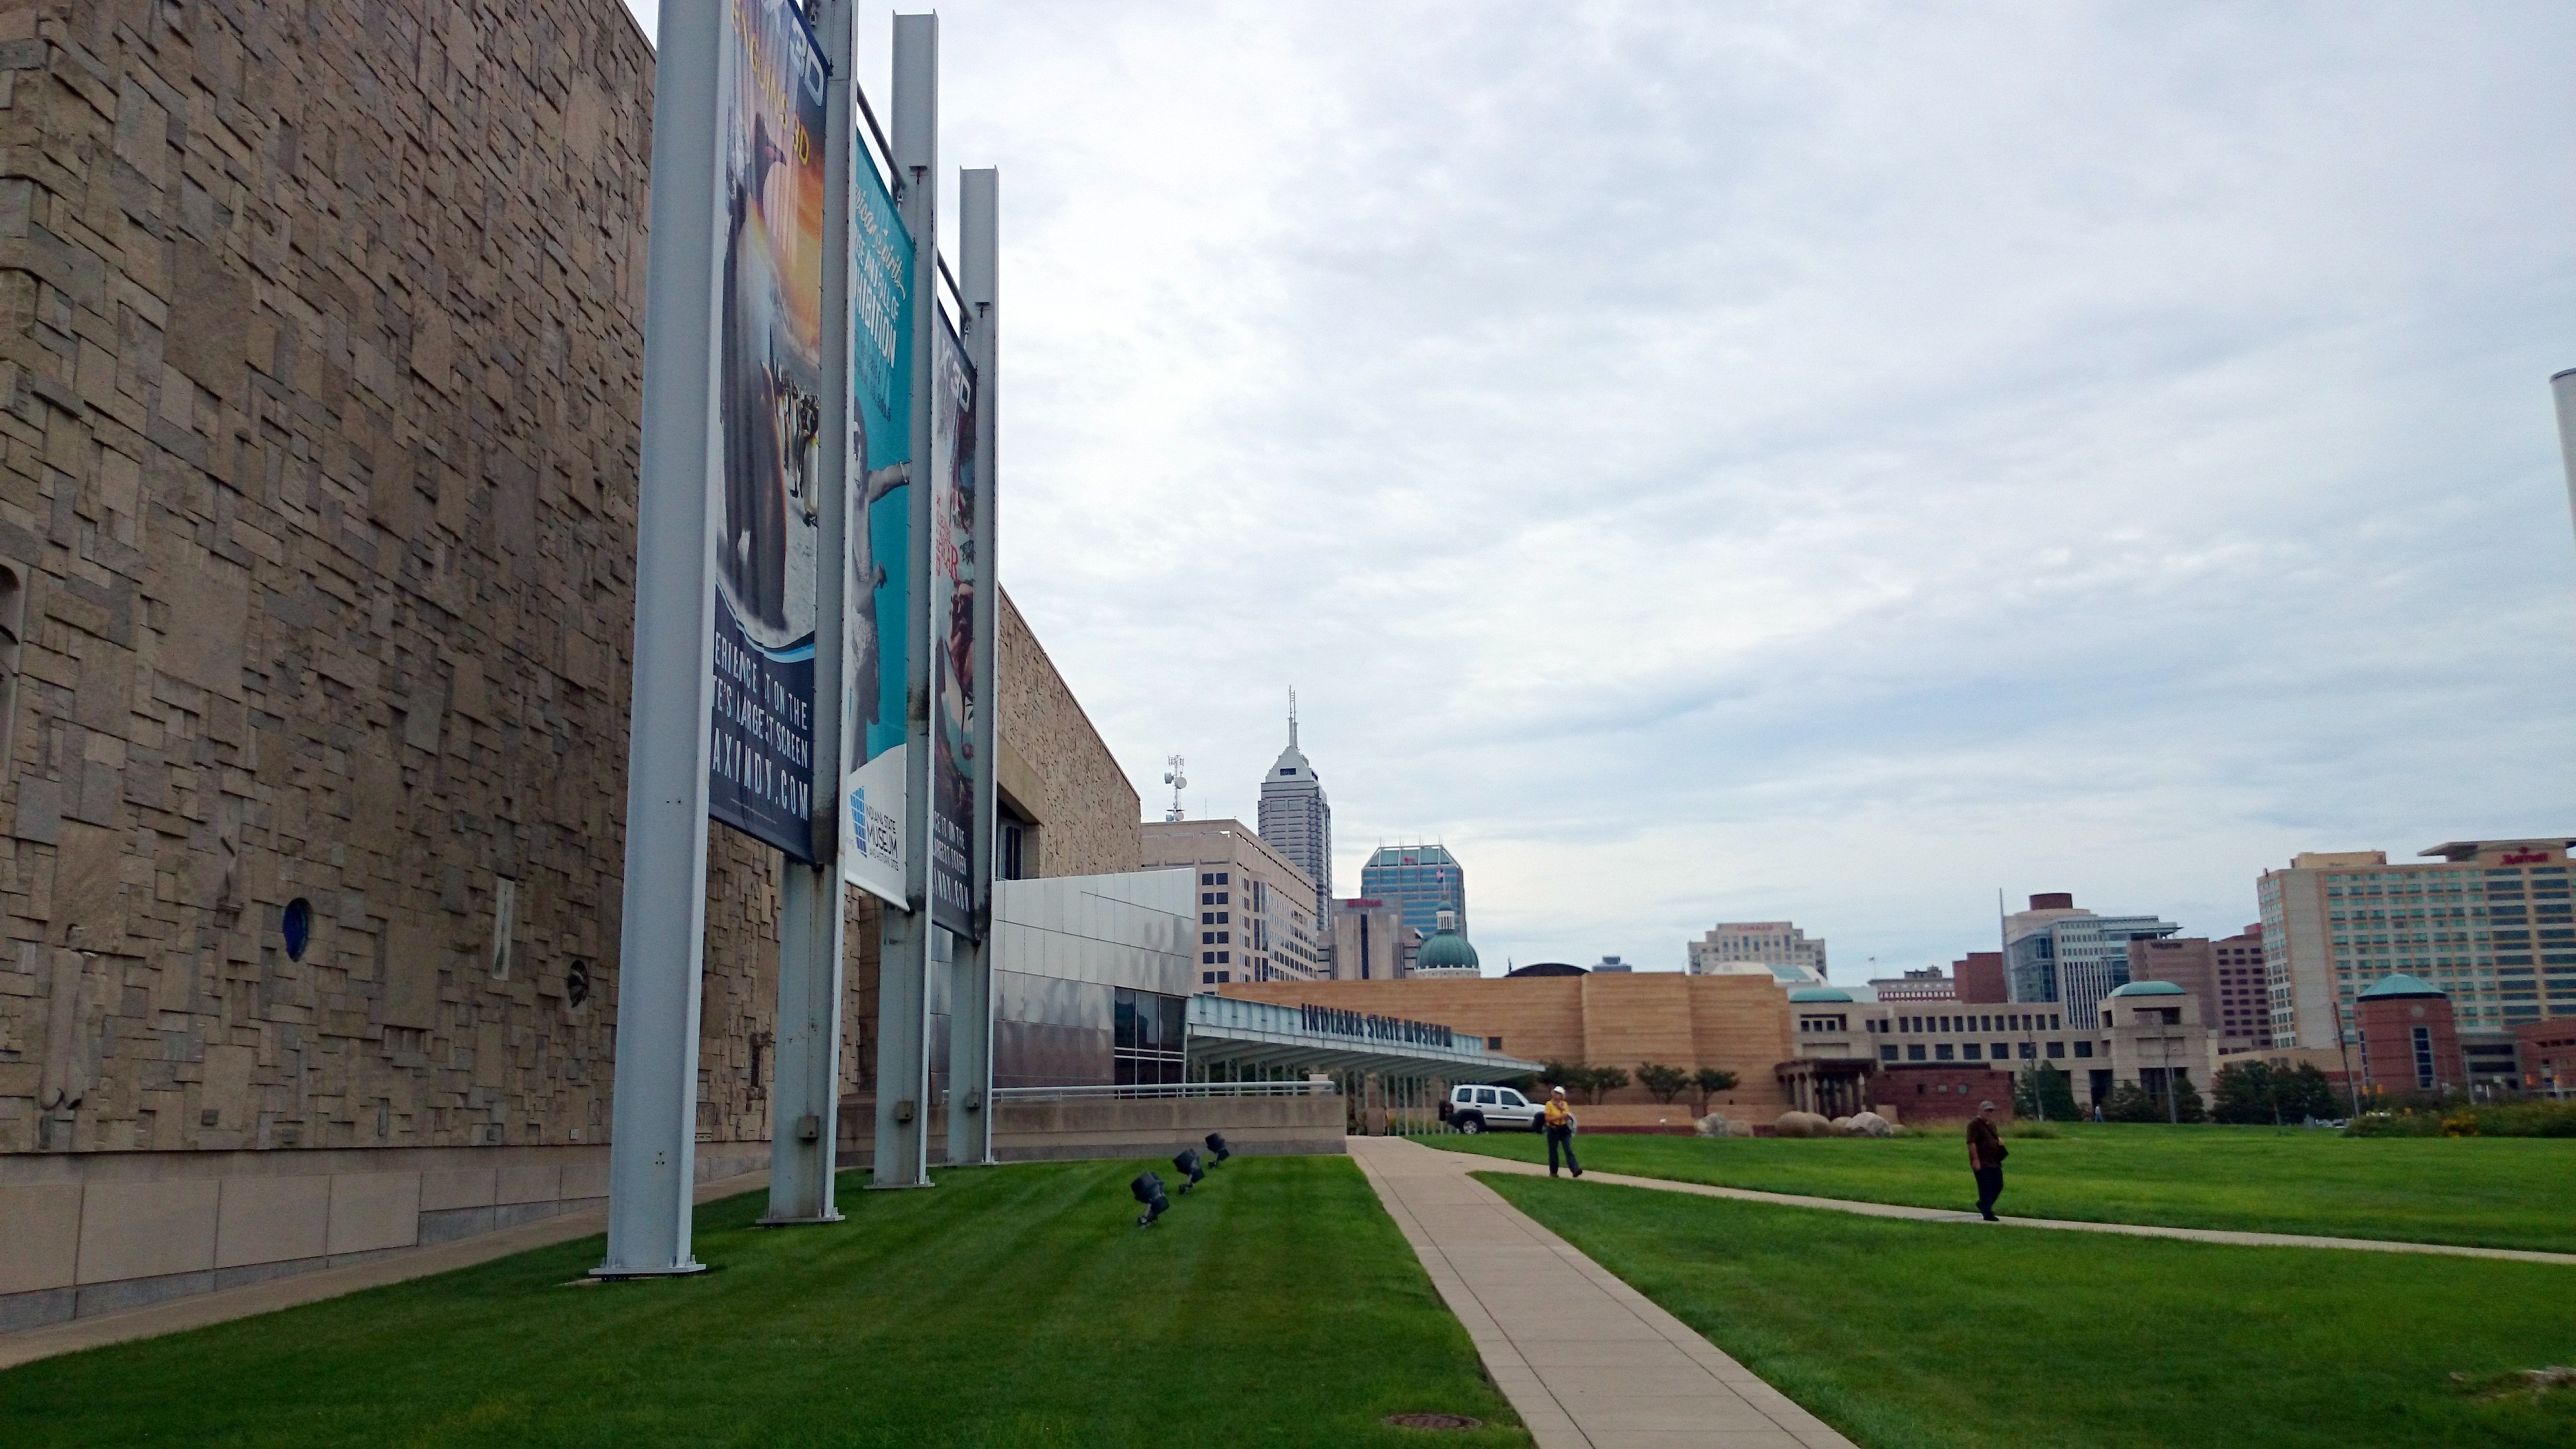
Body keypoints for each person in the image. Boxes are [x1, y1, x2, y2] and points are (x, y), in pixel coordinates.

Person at [1966, 1101, 2006, 1221]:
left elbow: (1995, 1138)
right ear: (1980, 1111)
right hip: (1982, 1162)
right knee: (1985, 1187)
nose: (1989, 1113)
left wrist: (1999, 1143)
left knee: (1998, 1185)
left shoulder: (1992, 1125)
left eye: (1991, 1111)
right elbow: (1971, 1143)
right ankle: (1987, 1213)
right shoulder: (1974, 1124)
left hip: (1994, 1161)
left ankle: (1983, 1204)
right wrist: (1975, 1160)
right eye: (1986, 1110)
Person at [1544, 1086, 1583, 1178]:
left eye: (1559, 1093)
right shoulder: (1549, 1104)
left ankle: (1575, 1169)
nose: (1557, 1095)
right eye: (1556, 1093)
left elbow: (1566, 1116)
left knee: (1568, 1149)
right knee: (1553, 1151)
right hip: (1553, 1129)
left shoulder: (1564, 1104)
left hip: (1564, 1129)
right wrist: (1560, 1116)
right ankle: (1553, 1172)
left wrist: (1560, 1111)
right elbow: (1547, 1119)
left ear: (1562, 1096)